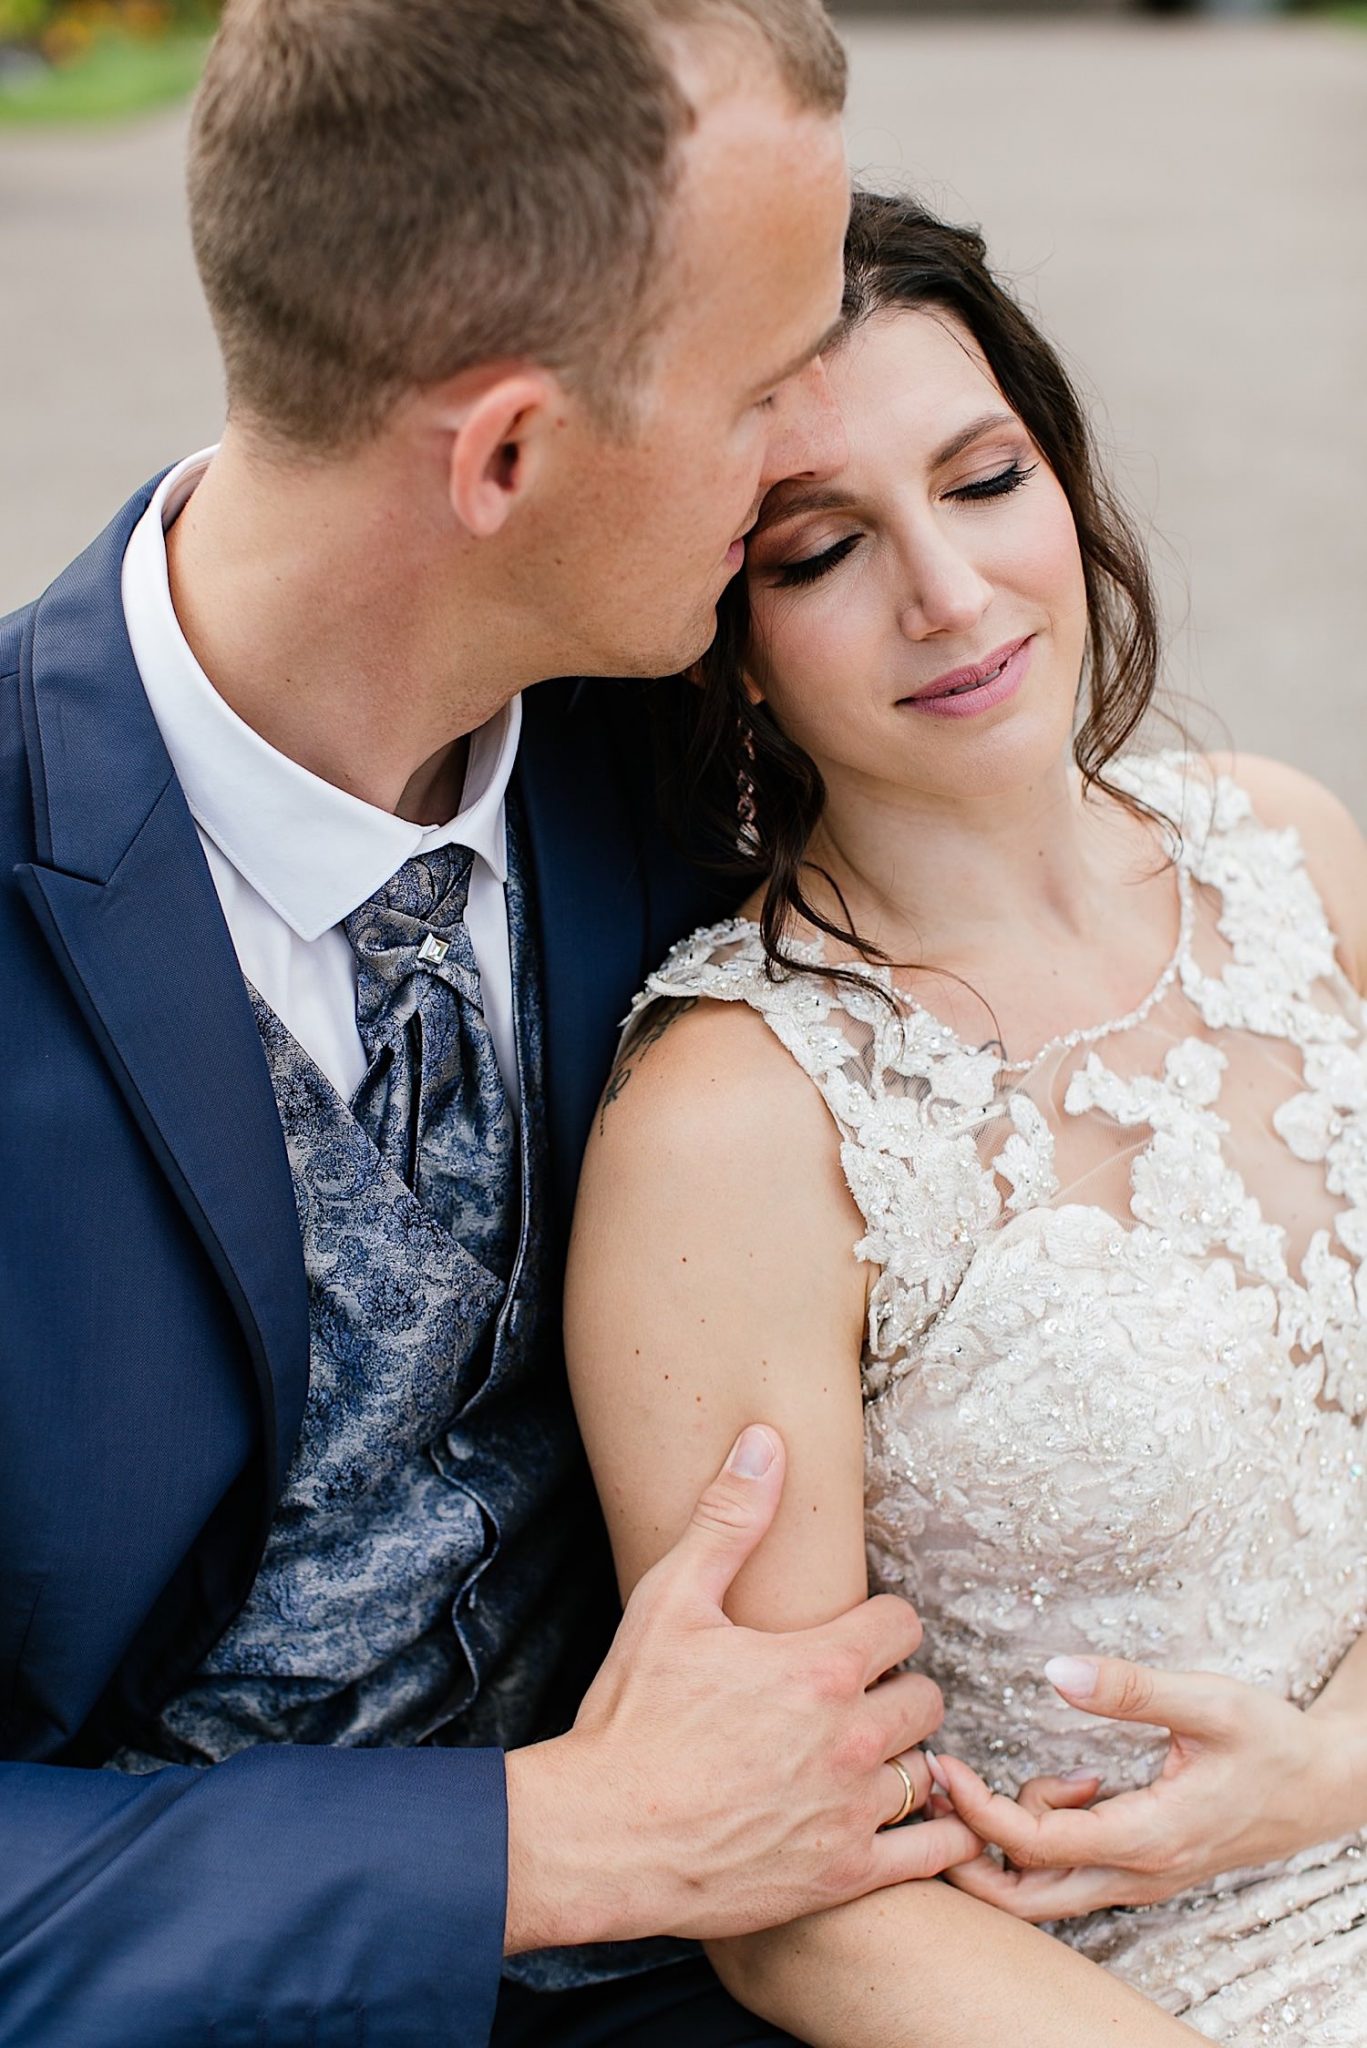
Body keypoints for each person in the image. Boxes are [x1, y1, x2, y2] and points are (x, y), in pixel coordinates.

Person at [0, 9, 996, 2042]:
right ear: (509, 456)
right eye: (760, 390)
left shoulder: (688, 724)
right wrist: (546, 1842)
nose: (797, 456)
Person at [567, 189, 1367, 2046]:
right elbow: (795, 1904)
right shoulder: (740, 1120)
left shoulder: (1290, 851)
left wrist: (1335, 1770)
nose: (946, 592)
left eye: (985, 480)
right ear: (727, 634)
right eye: (823, 550)